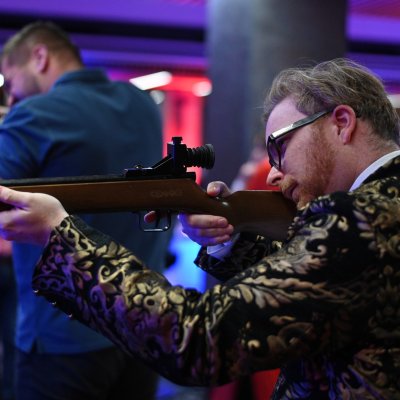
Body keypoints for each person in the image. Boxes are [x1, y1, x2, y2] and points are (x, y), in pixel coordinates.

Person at [0, 58, 398, 399]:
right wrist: (229, 241)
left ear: (341, 123)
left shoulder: (356, 220)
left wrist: (62, 237)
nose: (273, 174)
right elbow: (324, 290)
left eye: (280, 146)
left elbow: (197, 339)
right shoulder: (381, 209)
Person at [0, 21, 172, 400]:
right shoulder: (142, 102)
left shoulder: (32, 115)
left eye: (11, 82)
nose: (12, 96)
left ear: (39, 57)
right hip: (142, 325)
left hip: (63, 336)